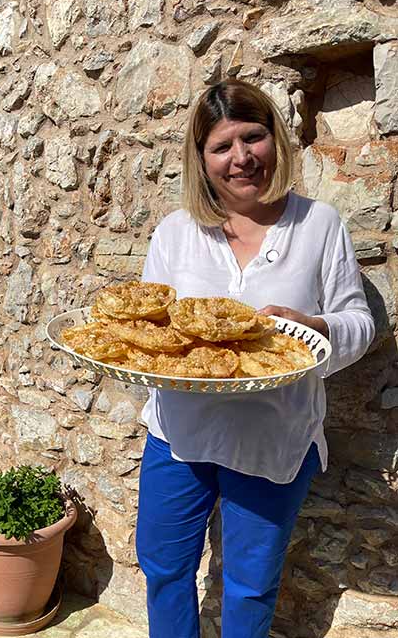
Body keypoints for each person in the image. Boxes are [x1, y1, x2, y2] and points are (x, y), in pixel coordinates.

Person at [135, 79, 375, 638]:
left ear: (276, 140)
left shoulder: (318, 226)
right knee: (165, 570)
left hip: (273, 438)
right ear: (202, 159)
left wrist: (318, 327)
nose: (241, 158)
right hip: (179, 436)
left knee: (250, 585)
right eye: (222, 146)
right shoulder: (177, 233)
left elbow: (358, 324)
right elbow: (149, 330)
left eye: (254, 137)